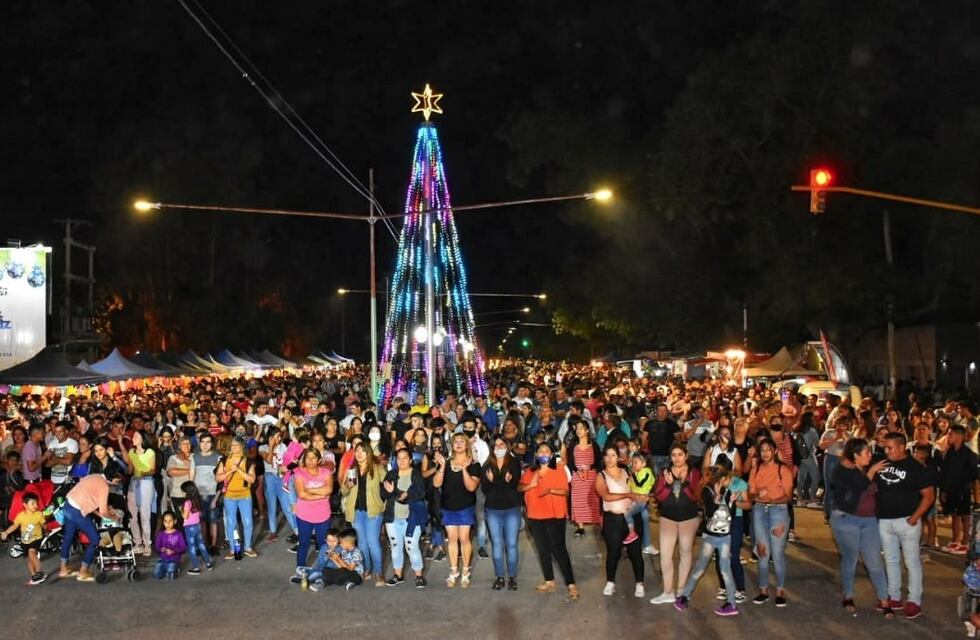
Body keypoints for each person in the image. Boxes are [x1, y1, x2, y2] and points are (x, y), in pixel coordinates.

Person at [871, 431, 934, 620]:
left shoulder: (915, 467)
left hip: (907, 520)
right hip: (885, 520)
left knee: (911, 561)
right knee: (890, 560)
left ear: (901, 447)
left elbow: (929, 495)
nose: (886, 451)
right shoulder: (883, 463)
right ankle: (894, 596)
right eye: (885, 447)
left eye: (890, 447)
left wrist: (915, 518)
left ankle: (914, 600)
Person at [828, 439, 891, 617]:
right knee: (850, 559)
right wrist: (870, 472)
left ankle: (884, 599)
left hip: (870, 521)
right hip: (847, 520)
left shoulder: (869, 469)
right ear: (855, 455)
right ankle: (848, 595)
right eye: (866, 453)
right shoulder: (842, 471)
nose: (870, 456)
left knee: (874, 562)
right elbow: (857, 490)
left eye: (870, 452)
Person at [673, 464, 739, 616]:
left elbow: (731, 516)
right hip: (710, 537)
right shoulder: (706, 491)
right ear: (722, 479)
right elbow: (709, 512)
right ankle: (684, 597)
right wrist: (717, 502)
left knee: (725, 570)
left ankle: (731, 603)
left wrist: (732, 502)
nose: (730, 481)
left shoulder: (727, 492)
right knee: (699, 569)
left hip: (724, 538)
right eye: (728, 478)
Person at [518, 441, 579, 600]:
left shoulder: (558, 470)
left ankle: (571, 584)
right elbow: (519, 487)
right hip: (535, 515)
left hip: (554, 514)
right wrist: (530, 485)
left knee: (559, 549)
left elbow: (566, 492)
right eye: (541, 451)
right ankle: (549, 581)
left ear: (551, 455)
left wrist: (551, 490)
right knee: (542, 549)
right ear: (536, 455)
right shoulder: (530, 471)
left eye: (547, 451)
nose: (544, 454)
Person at [650, 444, 701, 605]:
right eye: (673, 455)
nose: (677, 458)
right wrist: (667, 485)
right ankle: (667, 591)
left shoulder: (694, 473)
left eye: (680, 454)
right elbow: (658, 496)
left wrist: (685, 483)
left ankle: (681, 590)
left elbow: (695, 497)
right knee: (665, 555)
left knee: (685, 553)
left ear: (686, 455)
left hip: (688, 518)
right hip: (668, 518)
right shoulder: (665, 472)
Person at [595, 445, 645, 598]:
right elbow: (606, 496)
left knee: (635, 551)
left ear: (618, 457)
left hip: (630, 517)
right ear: (603, 458)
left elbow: (639, 490)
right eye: (607, 455)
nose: (610, 459)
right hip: (613, 519)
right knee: (613, 551)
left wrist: (641, 496)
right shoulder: (601, 476)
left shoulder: (626, 472)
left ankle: (639, 583)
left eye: (613, 455)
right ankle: (610, 582)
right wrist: (629, 495)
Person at [748, 437, 793, 607]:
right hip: (759, 510)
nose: (765, 453)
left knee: (777, 552)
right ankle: (763, 589)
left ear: (774, 451)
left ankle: (780, 590)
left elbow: (788, 495)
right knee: (762, 551)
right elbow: (750, 494)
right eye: (763, 450)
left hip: (779, 511)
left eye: (768, 449)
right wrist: (758, 494)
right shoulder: (756, 469)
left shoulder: (783, 470)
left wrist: (773, 501)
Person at [433, 432, 481, 588]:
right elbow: (436, 484)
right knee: (452, 539)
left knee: (464, 539)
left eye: (462, 441)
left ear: (467, 444)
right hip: (448, 507)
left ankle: (465, 572)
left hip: (465, 507)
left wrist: (465, 469)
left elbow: (471, 487)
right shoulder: (445, 462)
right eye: (455, 442)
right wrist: (441, 466)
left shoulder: (474, 464)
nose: (459, 444)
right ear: (452, 445)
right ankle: (453, 572)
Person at [381, 447, 427, 588]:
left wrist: (402, 495)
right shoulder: (391, 474)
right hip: (393, 518)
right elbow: (383, 493)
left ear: (411, 460)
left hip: (412, 517)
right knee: (395, 546)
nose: (401, 461)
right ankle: (397, 575)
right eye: (399, 458)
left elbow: (421, 494)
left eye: (405, 458)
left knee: (411, 546)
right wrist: (391, 493)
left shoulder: (416, 475)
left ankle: (419, 576)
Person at [59, 474, 120, 582]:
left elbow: (87, 501)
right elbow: (103, 511)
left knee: (68, 537)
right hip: (77, 511)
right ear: (113, 479)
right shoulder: (104, 486)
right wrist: (113, 517)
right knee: (95, 540)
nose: (117, 484)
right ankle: (83, 571)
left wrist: (101, 515)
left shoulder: (94, 476)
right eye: (117, 481)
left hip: (68, 505)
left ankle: (63, 569)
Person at [482, 435, 522, 590]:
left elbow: (516, 484)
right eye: (496, 445)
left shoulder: (514, 464)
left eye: (501, 444)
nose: (499, 447)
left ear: (506, 446)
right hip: (493, 509)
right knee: (497, 544)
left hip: (512, 508)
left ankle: (512, 577)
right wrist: (491, 481)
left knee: (512, 544)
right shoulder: (487, 466)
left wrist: (509, 480)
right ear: (492, 448)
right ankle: (499, 576)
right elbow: (484, 489)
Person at [340, 442, 384, 584]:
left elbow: (389, 483)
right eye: (357, 451)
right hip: (357, 512)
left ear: (368, 453)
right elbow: (344, 491)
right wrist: (347, 485)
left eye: (362, 451)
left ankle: (379, 572)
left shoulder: (377, 468)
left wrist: (386, 503)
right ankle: (367, 568)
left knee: (373, 542)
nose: (359, 454)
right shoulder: (351, 469)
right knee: (363, 543)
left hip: (373, 511)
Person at [215, 437, 258, 558]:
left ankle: (248, 547)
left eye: (237, 445)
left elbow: (252, 479)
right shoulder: (224, 460)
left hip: (245, 496)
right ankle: (233, 549)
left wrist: (238, 469)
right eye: (232, 445)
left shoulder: (248, 461)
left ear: (242, 447)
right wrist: (229, 472)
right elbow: (218, 478)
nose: (234, 447)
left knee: (247, 522)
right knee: (231, 522)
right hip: (229, 496)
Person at [940, 425, 977, 554]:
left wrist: (972, 494)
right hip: (951, 490)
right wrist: (944, 490)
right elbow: (945, 472)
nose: (948, 437)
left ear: (960, 436)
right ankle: (955, 541)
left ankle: (965, 543)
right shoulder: (950, 452)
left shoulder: (968, 454)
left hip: (963, 490)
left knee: (965, 516)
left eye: (951, 434)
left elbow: (974, 476)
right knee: (954, 515)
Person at [293, 448, 333, 567]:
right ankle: (300, 568)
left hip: (323, 514)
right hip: (304, 514)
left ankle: (323, 568)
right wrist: (321, 494)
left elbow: (329, 490)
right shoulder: (299, 473)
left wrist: (309, 490)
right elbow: (301, 494)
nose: (310, 460)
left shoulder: (325, 472)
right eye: (307, 457)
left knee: (323, 544)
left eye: (313, 458)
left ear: (319, 460)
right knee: (303, 542)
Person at [562, 418, 601, 538]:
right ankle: (580, 527)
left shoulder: (594, 445)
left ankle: (599, 524)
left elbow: (598, 461)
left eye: (581, 428)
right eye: (577, 428)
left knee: (593, 500)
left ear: (587, 430)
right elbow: (570, 462)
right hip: (578, 477)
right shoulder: (573, 445)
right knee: (578, 501)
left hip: (591, 476)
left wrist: (590, 468)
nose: (578, 431)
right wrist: (578, 471)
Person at [1, 492, 47, 585]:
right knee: (29, 559)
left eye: (36, 503)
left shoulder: (39, 514)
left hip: (36, 539)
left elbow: (43, 525)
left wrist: (47, 530)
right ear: (25, 505)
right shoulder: (20, 516)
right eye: (33, 503)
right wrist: (6, 532)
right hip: (25, 541)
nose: (36, 505)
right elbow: (14, 526)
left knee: (32, 553)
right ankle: (34, 576)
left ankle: (39, 573)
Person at [126, 430, 156, 556]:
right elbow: (130, 470)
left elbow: (153, 470)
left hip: (146, 482)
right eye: (133, 436)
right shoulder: (131, 452)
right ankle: (137, 542)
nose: (133, 438)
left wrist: (143, 473)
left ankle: (147, 544)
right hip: (134, 483)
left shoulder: (149, 452)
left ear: (143, 439)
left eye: (136, 436)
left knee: (145, 515)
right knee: (132, 515)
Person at [179, 481, 213, 574]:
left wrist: (180, 510)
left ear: (186, 492)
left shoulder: (187, 502)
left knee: (192, 547)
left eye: (183, 491)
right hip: (197, 526)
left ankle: (196, 568)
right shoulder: (197, 500)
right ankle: (208, 563)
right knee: (201, 544)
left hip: (189, 528)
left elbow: (185, 516)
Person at [153, 510, 187, 579]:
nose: (168, 523)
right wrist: (161, 549)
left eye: (170, 521)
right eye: (165, 521)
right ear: (163, 522)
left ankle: (175, 569)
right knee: (157, 575)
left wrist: (173, 551)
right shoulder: (161, 534)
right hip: (162, 559)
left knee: (171, 577)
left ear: (175, 521)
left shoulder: (178, 534)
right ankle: (167, 569)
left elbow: (183, 547)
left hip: (174, 559)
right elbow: (157, 546)